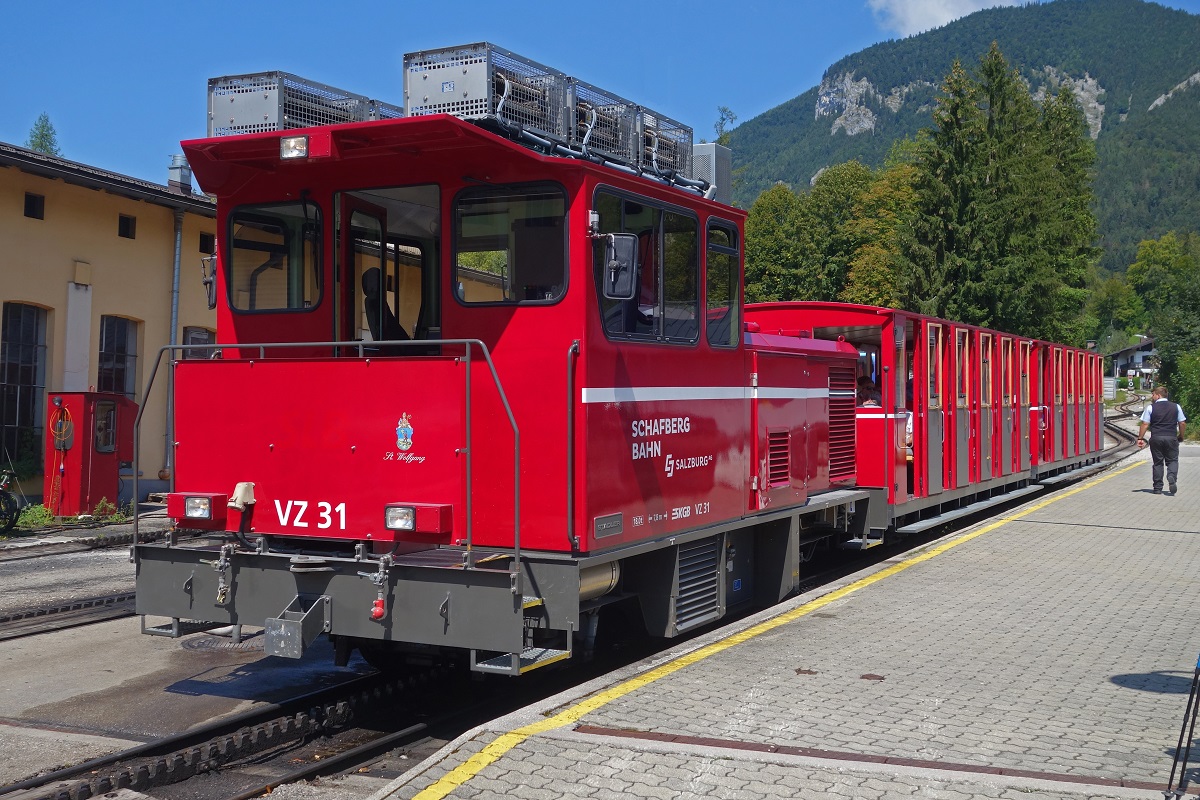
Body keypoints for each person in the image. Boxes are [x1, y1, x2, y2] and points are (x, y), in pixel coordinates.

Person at [1137, 385, 1187, 494]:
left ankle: (1158, 488)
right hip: (1171, 438)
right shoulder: (1176, 406)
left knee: (1158, 462)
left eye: (1153, 394)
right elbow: (1182, 422)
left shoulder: (1151, 407)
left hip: (1156, 438)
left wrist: (1140, 438)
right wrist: (1181, 436)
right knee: (1172, 460)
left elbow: (1145, 424)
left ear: (1158, 395)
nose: (1152, 396)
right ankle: (1171, 476)